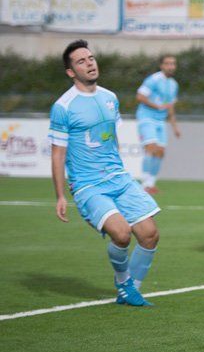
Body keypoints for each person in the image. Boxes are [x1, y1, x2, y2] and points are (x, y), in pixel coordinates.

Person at [49, 40, 160, 307]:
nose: (89, 63)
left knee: (150, 234)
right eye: (81, 61)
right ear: (70, 72)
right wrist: (61, 195)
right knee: (121, 234)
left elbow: (112, 139)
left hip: (118, 179)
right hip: (89, 185)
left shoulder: (110, 97)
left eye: (91, 58)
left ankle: (132, 289)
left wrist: (120, 170)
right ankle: (123, 284)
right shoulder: (63, 106)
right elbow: (57, 153)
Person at [135, 55, 181, 194]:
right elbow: (140, 96)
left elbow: (170, 106)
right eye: (167, 64)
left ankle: (151, 184)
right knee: (151, 148)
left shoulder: (174, 84)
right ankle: (144, 185)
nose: (170, 66)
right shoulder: (153, 79)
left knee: (161, 152)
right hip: (147, 117)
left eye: (173, 64)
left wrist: (174, 126)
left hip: (160, 121)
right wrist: (156, 106)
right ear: (161, 65)